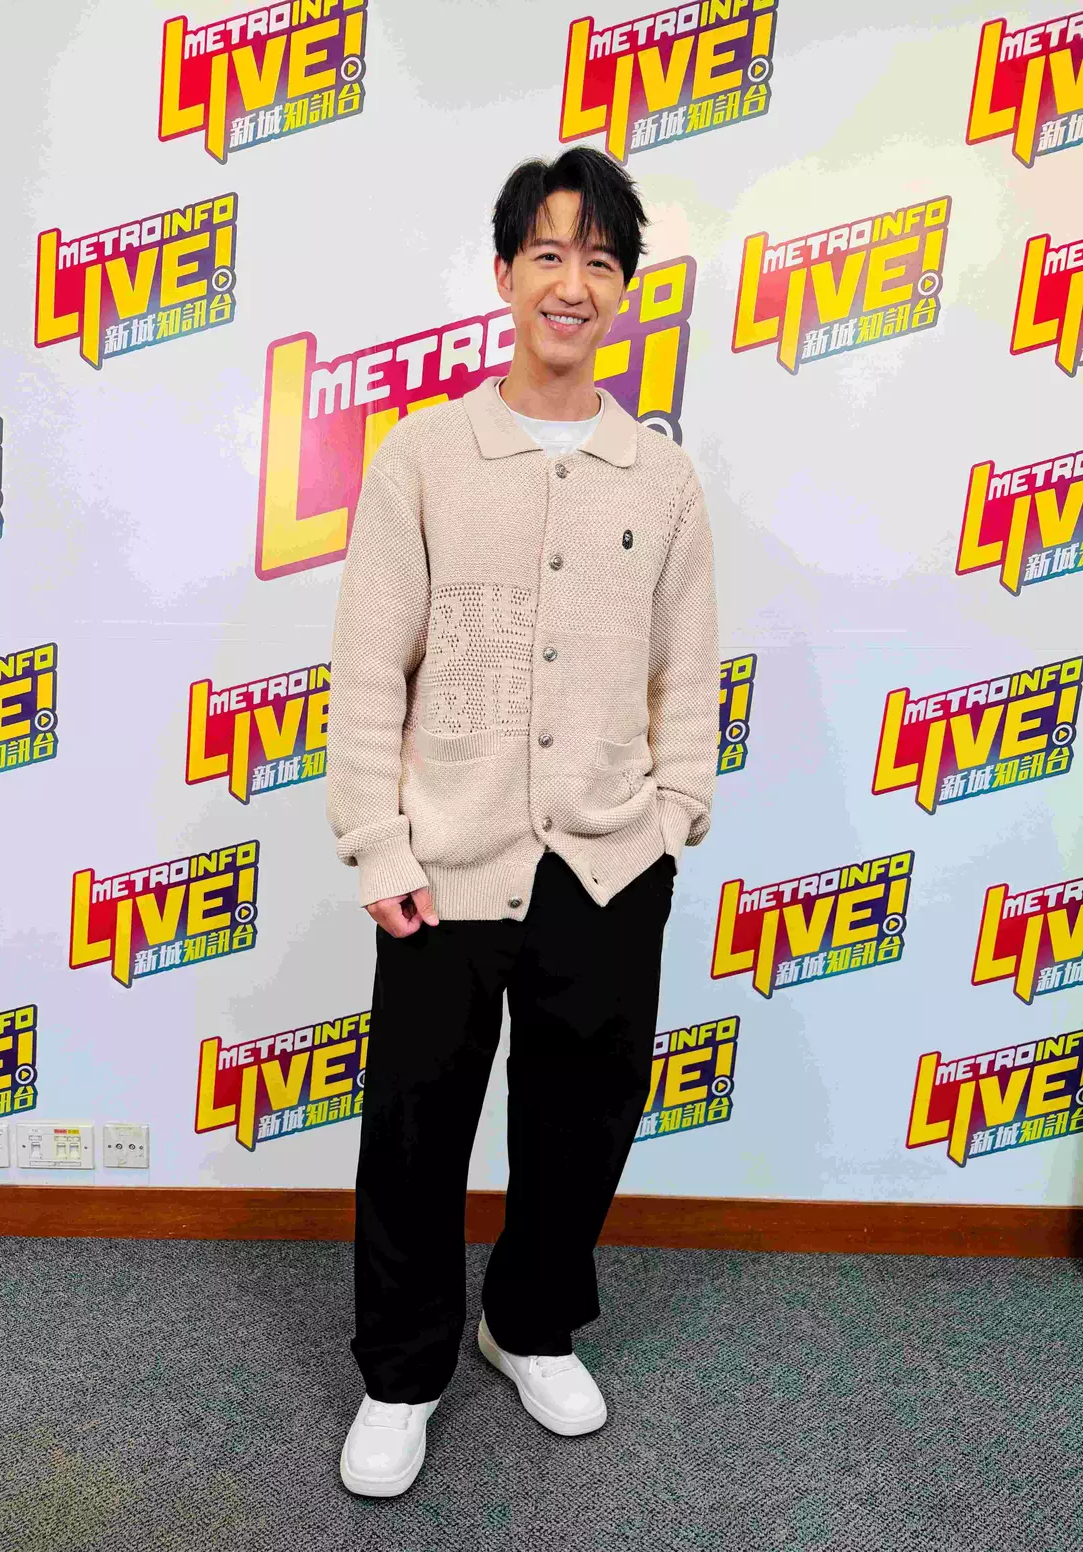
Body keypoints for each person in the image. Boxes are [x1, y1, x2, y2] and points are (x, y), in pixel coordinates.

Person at [324, 144, 719, 1497]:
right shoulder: (426, 457)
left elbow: (687, 669)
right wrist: (378, 842)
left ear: (623, 290)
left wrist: (674, 813)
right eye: (549, 253)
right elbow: (370, 667)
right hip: (444, 859)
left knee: (583, 1121)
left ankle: (530, 1324)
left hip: (609, 861)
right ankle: (401, 1373)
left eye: (600, 260)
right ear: (504, 274)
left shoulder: (657, 478)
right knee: (415, 1129)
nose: (573, 282)